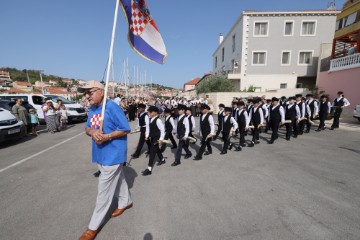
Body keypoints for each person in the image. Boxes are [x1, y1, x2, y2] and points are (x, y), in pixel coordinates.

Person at [78, 81, 132, 240]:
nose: (87, 96)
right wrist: (93, 131)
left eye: (90, 92)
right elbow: (87, 128)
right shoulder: (93, 109)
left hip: (113, 154)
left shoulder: (112, 107)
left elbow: (125, 128)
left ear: (101, 91)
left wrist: (107, 136)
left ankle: (92, 227)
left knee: (104, 190)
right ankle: (126, 202)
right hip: (100, 153)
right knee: (119, 179)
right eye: (85, 93)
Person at [142, 106, 166, 176]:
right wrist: (147, 136)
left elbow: (162, 130)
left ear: (155, 112)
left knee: (152, 152)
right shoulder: (150, 119)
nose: (149, 113)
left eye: (151, 112)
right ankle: (162, 159)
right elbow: (148, 128)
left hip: (157, 138)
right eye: (149, 112)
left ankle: (149, 169)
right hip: (152, 137)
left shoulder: (158, 120)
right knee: (157, 149)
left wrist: (161, 139)